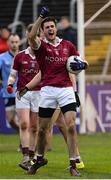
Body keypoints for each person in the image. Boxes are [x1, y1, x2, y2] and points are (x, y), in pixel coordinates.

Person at [18, 7, 88, 176]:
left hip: (65, 90)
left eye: (52, 26)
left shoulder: (68, 46)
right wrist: (40, 17)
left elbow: (77, 65)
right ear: (42, 31)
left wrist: (85, 65)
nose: (50, 29)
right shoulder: (41, 47)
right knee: (43, 130)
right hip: (48, 91)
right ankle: (39, 158)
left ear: (56, 28)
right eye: (47, 27)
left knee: (71, 126)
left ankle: (73, 163)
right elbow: (30, 36)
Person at [7, 24, 41, 171]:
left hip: (39, 93)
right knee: (24, 124)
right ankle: (25, 155)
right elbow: (13, 73)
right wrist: (10, 84)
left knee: (35, 127)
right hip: (22, 93)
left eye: (37, 35)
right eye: (31, 35)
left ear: (40, 37)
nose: (34, 38)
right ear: (28, 38)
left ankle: (32, 156)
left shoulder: (44, 55)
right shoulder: (20, 56)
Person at [0, 33, 20, 132]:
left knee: (23, 120)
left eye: (16, 42)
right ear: (8, 43)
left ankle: (24, 143)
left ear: (19, 42)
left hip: (22, 93)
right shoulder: (2, 57)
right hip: (8, 93)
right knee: (11, 120)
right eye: (12, 42)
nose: (14, 44)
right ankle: (23, 133)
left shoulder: (23, 56)